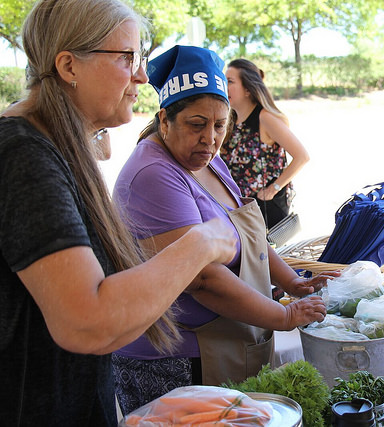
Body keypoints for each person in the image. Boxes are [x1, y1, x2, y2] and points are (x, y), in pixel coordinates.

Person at [0, 0, 237, 425]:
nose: (142, 76)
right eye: (127, 58)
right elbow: (88, 322)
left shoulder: (52, 147)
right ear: (69, 67)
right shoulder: (23, 155)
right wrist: (201, 242)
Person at [112, 45, 336, 415]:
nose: (210, 138)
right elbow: (201, 277)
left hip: (228, 340)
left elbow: (253, 240)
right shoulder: (154, 174)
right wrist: (283, 316)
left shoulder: (210, 161)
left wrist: (294, 283)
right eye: (196, 125)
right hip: (177, 360)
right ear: (165, 119)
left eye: (220, 125)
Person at [220, 58, 310, 229]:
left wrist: (273, 189)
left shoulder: (265, 118)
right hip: (238, 210)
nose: (225, 86)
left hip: (266, 210)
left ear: (247, 89)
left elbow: (302, 156)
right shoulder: (230, 121)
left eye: (230, 81)